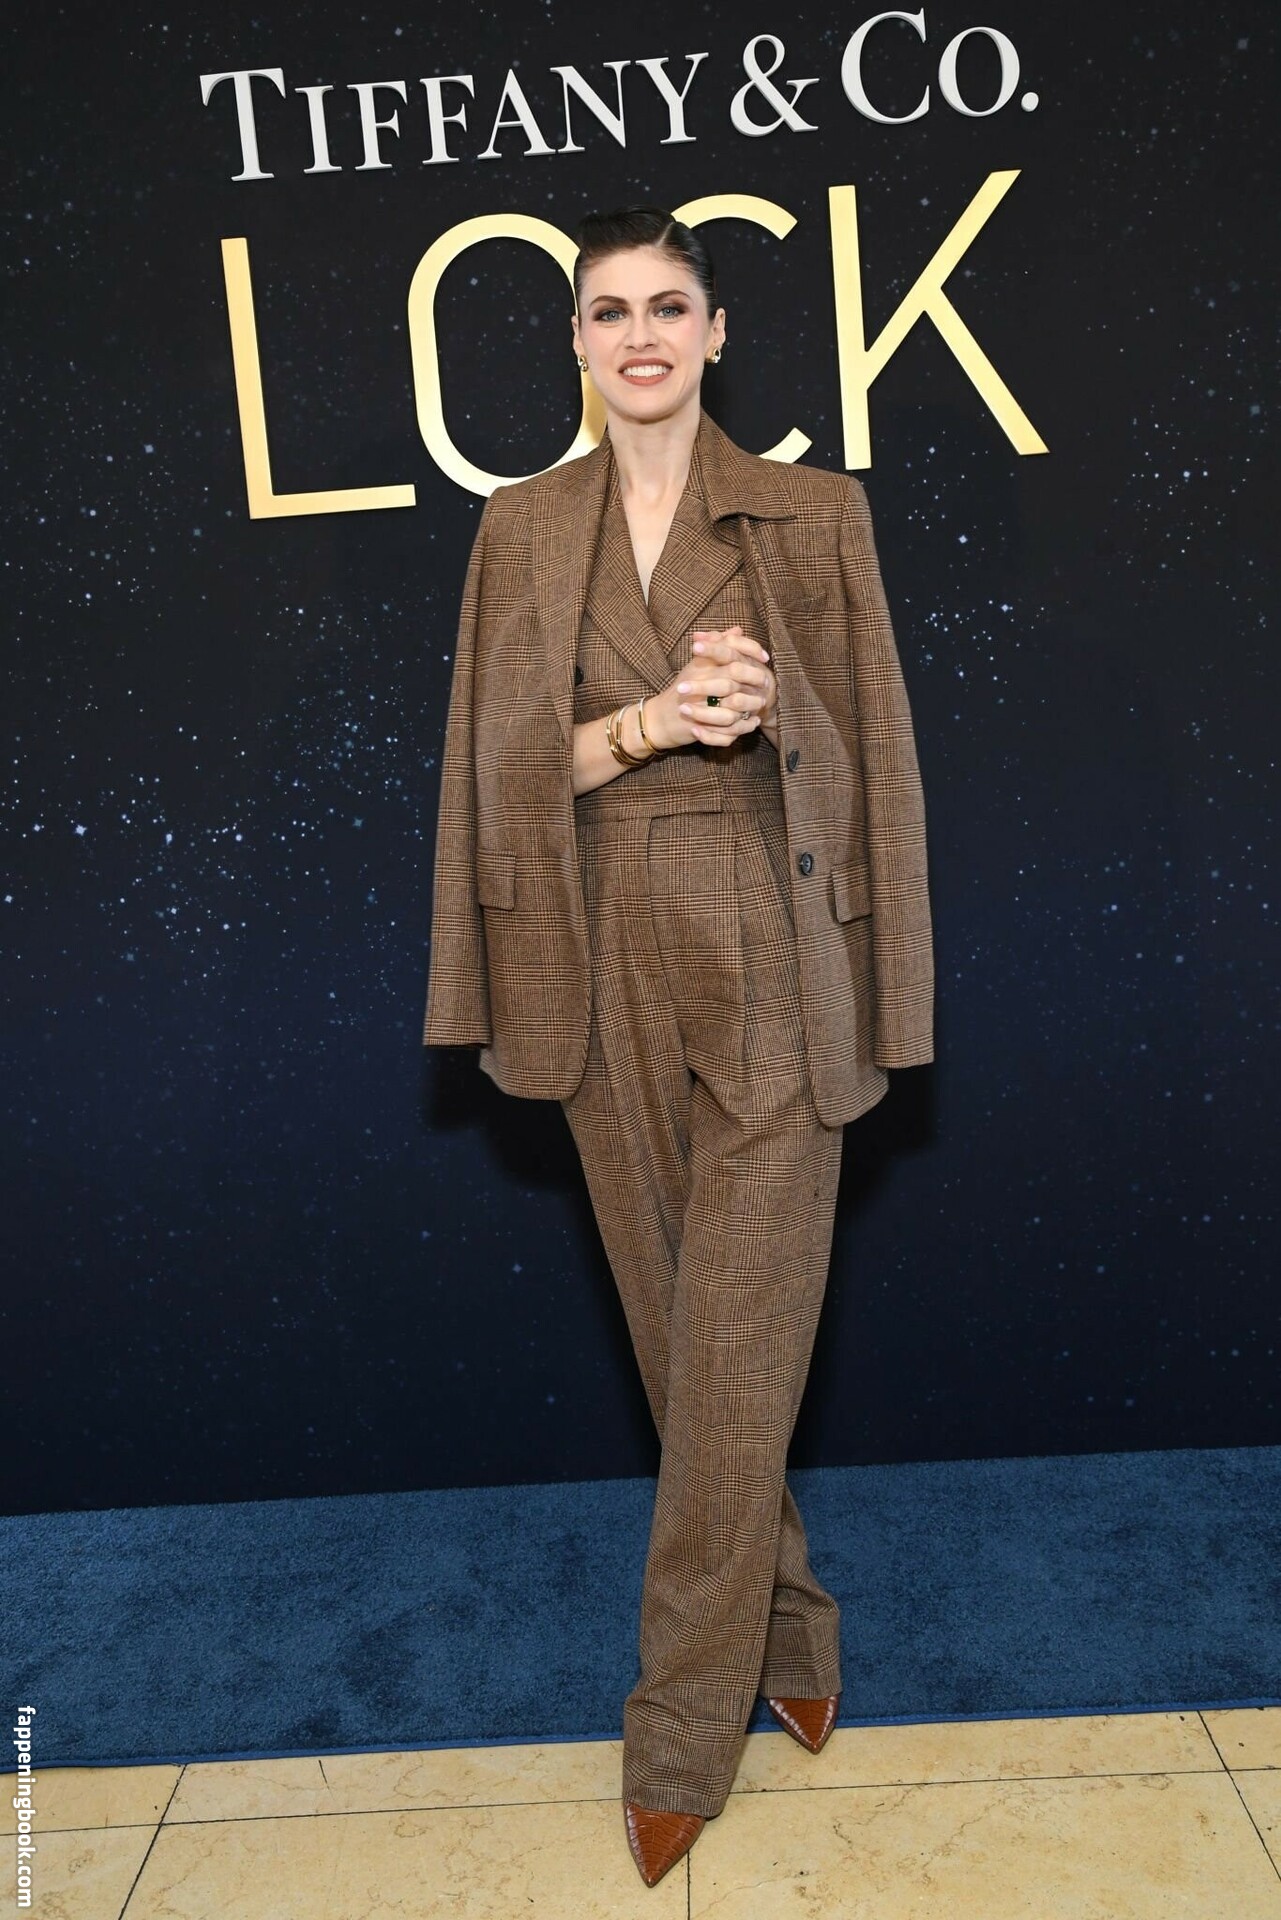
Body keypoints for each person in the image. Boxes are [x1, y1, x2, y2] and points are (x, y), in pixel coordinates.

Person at [423, 205, 934, 1887]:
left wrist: (772, 711)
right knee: (679, 1331)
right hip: (590, 946)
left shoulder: (810, 511)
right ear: (575, 342)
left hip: (774, 946)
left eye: (668, 306)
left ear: (716, 333)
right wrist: (650, 720)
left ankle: (676, 1728)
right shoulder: (519, 526)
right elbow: (496, 777)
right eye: (607, 310)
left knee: (733, 1333)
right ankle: (790, 1631)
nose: (639, 334)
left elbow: (875, 760)